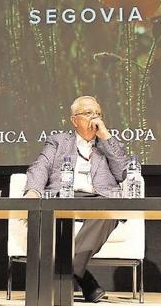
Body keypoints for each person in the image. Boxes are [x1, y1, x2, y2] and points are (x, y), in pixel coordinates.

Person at [24, 96, 130, 302]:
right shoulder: (58, 141)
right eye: (88, 113)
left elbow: (124, 172)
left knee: (108, 211)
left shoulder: (108, 143)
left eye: (98, 113)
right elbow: (41, 166)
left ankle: (62, 272)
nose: (94, 118)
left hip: (99, 198)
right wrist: (33, 191)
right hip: (63, 196)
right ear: (74, 120)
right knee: (46, 215)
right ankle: (85, 280)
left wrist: (106, 137)